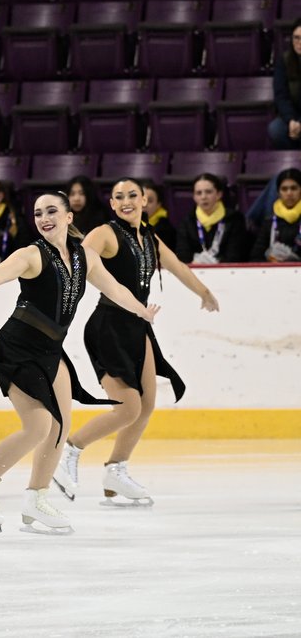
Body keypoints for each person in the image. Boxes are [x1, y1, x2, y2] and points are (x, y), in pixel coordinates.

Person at [0, 191, 158, 535]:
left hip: (50, 349)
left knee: (59, 426)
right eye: (38, 213)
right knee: (38, 426)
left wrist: (142, 310)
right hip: (17, 346)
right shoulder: (31, 255)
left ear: (68, 217)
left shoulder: (84, 258)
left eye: (51, 211)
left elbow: (115, 288)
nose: (44, 218)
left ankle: (36, 499)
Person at [53, 178, 219, 507]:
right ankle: (70, 450)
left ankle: (116, 470)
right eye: (119, 197)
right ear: (112, 204)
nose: (126, 200)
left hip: (138, 327)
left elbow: (177, 267)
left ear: (145, 199)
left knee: (145, 407)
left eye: (132, 195)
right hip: (108, 326)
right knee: (128, 407)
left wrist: (204, 292)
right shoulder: (105, 232)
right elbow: (79, 260)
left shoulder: (150, 238)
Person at [174, 173, 249, 264]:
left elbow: (235, 255)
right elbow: (182, 256)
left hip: (226, 273)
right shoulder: (187, 222)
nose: (203, 197)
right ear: (194, 197)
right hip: (194, 271)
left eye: (208, 192)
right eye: (199, 193)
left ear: (219, 194)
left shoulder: (234, 219)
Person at [250, 168, 301, 262]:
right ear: (278, 192)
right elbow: (256, 257)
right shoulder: (269, 221)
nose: (289, 193)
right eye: (284, 189)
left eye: (294, 188)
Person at [268, 18, 301, 150]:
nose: (299, 43)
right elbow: (281, 95)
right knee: (275, 130)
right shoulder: (284, 61)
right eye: (296, 38)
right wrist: (291, 120)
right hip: (294, 114)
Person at [142, 180, 177, 249]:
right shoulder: (127, 224)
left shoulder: (165, 230)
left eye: (150, 201)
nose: (144, 205)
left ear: (158, 204)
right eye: (142, 200)